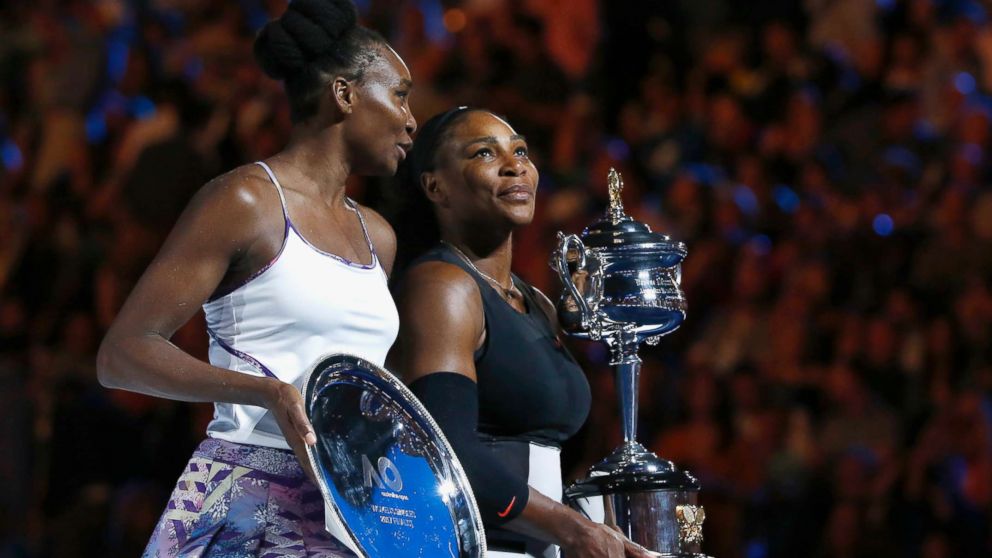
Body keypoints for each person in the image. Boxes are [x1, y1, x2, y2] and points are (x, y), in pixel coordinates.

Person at [95, 0, 416, 555]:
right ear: (344, 94)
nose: (412, 118)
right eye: (400, 94)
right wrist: (267, 393)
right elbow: (122, 354)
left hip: (353, 507)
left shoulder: (378, 236)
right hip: (246, 492)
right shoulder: (244, 201)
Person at [391, 107, 652, 558]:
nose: (515, 165)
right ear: (435, 186)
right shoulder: (443, 287)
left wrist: (591, 521)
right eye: (484, 153)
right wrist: (572, 529)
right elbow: (445, 452)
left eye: (521, 151)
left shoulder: (539, 301)